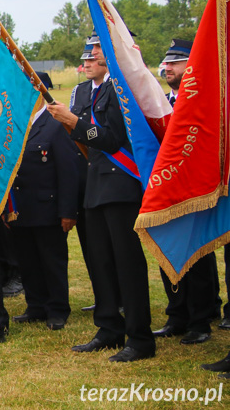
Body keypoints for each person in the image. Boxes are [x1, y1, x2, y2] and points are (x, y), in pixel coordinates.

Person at [47, 41, 155, 362]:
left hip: (121, 185)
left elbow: (112, 137)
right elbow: (78, 137)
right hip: (93, 185)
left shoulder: (124, 89)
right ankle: (108, 327)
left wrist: (74, 122)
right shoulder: (82, 92)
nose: (89, 58)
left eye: (96, 52)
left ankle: (139, 338)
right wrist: (69, 124)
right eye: (87, 54)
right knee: (101, 264)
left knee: (127, 264)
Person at [153, 39, 219, 345]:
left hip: (195, 189)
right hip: (166, 189)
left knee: (197, 256)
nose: (168, 68)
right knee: (170, 251)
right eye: (167, 62)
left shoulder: (204, 100)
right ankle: (177, 315)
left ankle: (201, 319)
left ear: (191, 65)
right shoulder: (161, 105)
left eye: (176, 62)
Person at [10, 102, 79, 332]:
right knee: (27, 261)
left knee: (52, 262)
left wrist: (68, 211)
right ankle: (35, 306)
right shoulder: (15, 124)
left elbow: (68, 171)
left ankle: (58, 309)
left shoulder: (55, 124)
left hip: (47, 208)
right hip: (20, 208)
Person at [67, 42, 102, 312]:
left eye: (92, 59)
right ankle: (103, 295)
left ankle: (120, 297)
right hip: (82, 175)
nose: (86, 64)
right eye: (84, 60)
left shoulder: (117, 89)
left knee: (112, 244)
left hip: (109, 170)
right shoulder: (79, 91)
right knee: (92, 244)